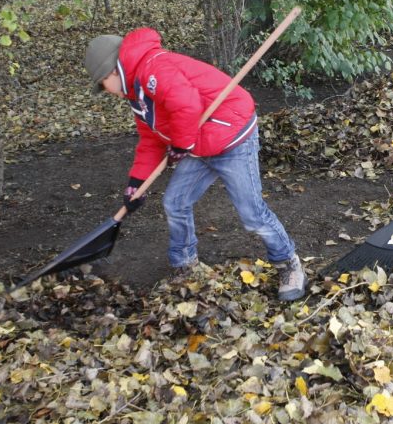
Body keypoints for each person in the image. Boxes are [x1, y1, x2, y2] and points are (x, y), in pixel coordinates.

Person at [84, 28, 307, 301]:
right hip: (199, 143)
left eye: (102, 84)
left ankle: (289, 264)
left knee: (252, 213)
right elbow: (150, 140)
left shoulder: (153, 69)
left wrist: (181, 144)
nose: (105, 91)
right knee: (175, 202)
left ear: (112, 72)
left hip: (232, 136)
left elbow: (186, 105)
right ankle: (186, 265)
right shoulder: (136, 95)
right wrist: (135, 185)